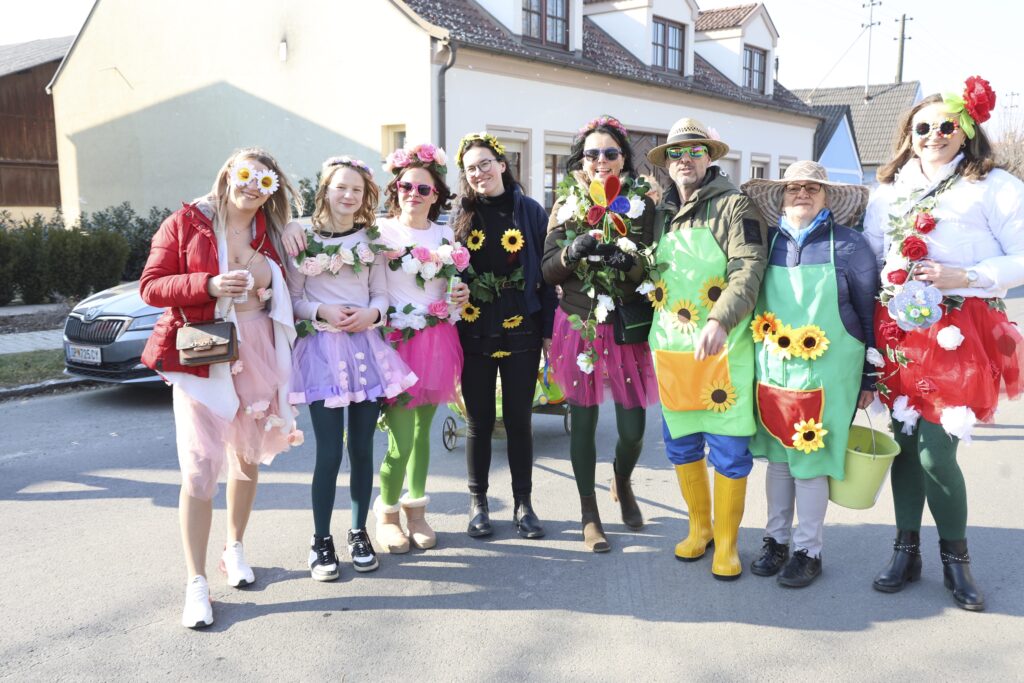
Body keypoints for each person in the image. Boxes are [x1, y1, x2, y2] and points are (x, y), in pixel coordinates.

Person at [864, 77, 1024, 611]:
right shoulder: (888, 190)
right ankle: (905, 552)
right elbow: (870, 256)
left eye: (946, 125)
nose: (933, 134)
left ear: (966, 130)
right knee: (906, 444)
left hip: (960, 330)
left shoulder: (994, 184)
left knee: (936, 450)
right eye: (922, 127)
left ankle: (957, 561)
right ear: (908, 135)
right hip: (899, 330)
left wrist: (968, 275)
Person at [140, 147, 303, 629]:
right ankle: (196, 582)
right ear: (230, 173)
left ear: (273, 191)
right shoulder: (187, 222)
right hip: (205, 351)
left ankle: (234, 549)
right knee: (199, 468)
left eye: (265, 181)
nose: (253, 186)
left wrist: (297, 227)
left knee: (247, 457)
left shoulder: (273, 232)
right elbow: (150, 286)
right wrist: (208, 285)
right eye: (247, 174)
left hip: (260, 350)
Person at [741, 161, 876, 588]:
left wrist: (870, 377)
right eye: (793, 188)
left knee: (812, 461)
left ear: (827, 197)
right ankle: (776, 540)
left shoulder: (851, 245)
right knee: (779, 459)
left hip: (830, 373)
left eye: (812, 188)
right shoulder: (766, 243)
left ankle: (808, 550)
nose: (802, 193)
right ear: (780, 197)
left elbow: (869, 314)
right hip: (774, 369)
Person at [646, 118, 768, 580]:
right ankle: (700, 528)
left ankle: (728, 543)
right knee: (681, 446)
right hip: (672, 347)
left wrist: (720, 319)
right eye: (676, 153)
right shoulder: (657, 211)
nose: (685, 160)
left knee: (729, 450)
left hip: (724, 346)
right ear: (667, 163)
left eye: (695, 151)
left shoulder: (736, 206)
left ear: (709, 157)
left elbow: (748, 266)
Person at [285, 156, 417, 581]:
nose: (348, 195)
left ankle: (359, 532)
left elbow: (381, 294)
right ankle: (320, 540)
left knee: (362, 448)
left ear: (365, 196)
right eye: (341, 187)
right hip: (321, 351)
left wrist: (372, 315)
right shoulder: (301, 236)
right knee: (329, 451)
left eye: (357, 190)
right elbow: (293, 297)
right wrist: (320, 309)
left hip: (365, 351)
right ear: (325, 189)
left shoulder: (371, 239)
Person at [542, 115, 658, 552]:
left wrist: (625, 262)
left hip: (626, 328)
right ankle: (589, 513)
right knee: (584, 423)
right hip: (580, 326)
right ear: (582, 160)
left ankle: (622, 481)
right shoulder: (566, 204)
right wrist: (572, 252)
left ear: (623, 159)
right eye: (592, 153)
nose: (601, 160)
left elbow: (651, 267)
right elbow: (547, 269)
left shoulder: (641, 205)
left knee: (633, 429)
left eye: (610, 152)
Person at [451, 132, 557, 538]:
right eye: (470, 169)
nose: (479, 173)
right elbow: (447, 273)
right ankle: (478, 504)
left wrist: (547, 331)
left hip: (521, 328)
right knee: (478, 422)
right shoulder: (460, 215)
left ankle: (523, 504)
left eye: (484, 164)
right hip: (474, 328)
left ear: (501, 164)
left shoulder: (529, 211)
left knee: (518, 420)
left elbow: (546, 277)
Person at [373, 142, 471, 553]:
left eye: (423, 188)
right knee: (400, 440)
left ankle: (417, 512)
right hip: (395, 343)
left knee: (422, 433)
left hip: (436, 340)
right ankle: (387, 514)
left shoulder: (445, 234)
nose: (413, 193)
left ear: (436, 195)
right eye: (406, 186)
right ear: (395, 190)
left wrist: (460, 295)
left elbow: (450, 288)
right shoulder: (380, 232)